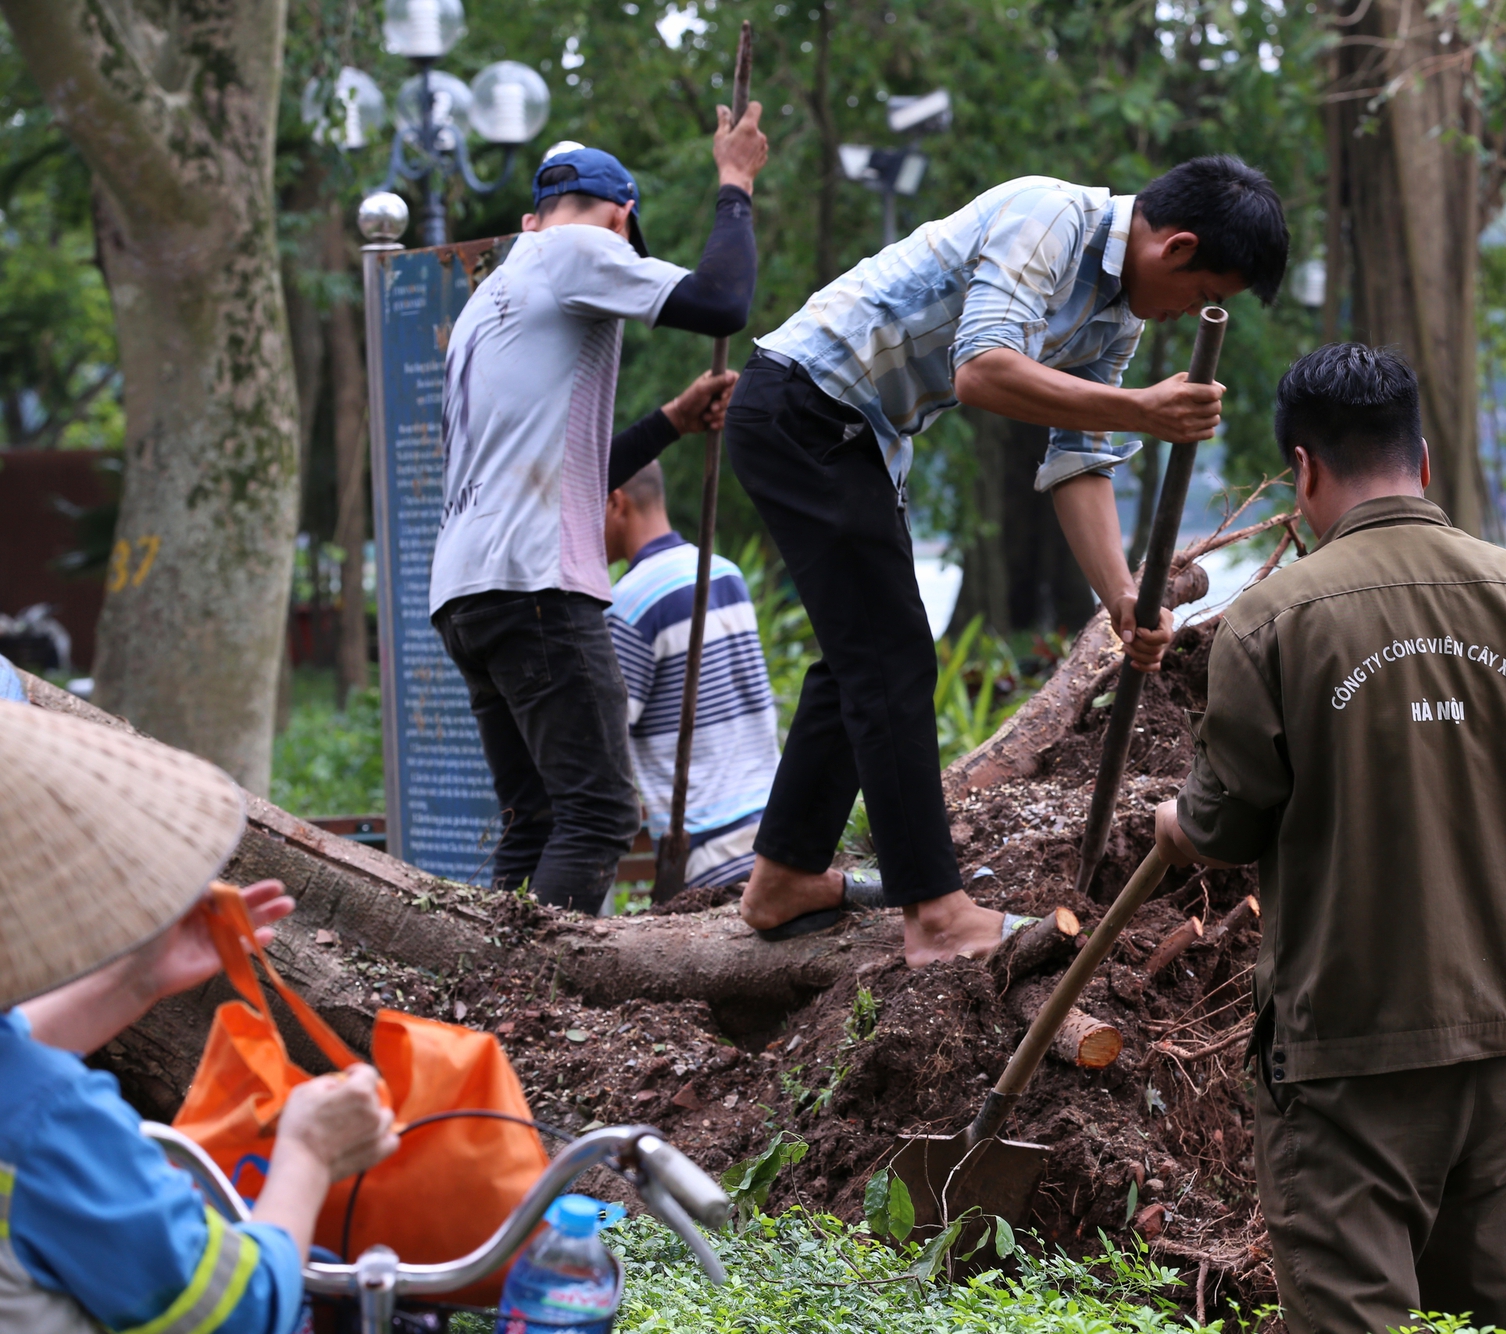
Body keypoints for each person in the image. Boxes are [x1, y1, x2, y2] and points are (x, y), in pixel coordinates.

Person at [1151, 344, 1506, 1334]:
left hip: (1341, 1055)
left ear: (1302, 469)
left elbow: (1221, 826)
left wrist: (1166, 819)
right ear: (1421, 460)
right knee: (1497, 1319)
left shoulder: (1265, 624)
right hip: (1499, 1047)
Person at [728, 155, 1290, 966]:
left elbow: (1079, 460)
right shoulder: (1049, 217)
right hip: (804, 406)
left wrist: (1122, 599)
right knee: (888, 661)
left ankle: (782, 880)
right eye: (1202, 297)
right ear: (1176, 248)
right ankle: (935, 915)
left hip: (858, 436)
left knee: (863, 661)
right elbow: (983, 371)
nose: (1186, 316)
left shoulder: (1115, 316)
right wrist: (1144, 409)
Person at [429, 109, 769, 915]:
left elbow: (563, 478)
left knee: (537, 820)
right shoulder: (582, 248)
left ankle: (487, 1009)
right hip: (538, 585)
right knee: (599, 817)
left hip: (470, 592)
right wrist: (735, 185)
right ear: (621, 219)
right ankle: (534, 1017)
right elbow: (722, 301)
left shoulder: (490, 300)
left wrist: (670, 423)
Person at [0, 702, 400, 1334]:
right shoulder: (49, 1123)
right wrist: (308, 1154)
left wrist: (136, 978)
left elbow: (11, 1053)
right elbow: (237, 1310)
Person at [603, 461, 779, 892]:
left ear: (615, 503)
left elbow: (605, 738)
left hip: (703, 851)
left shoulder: (628, 606)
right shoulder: (726, 572)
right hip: (774, 833)